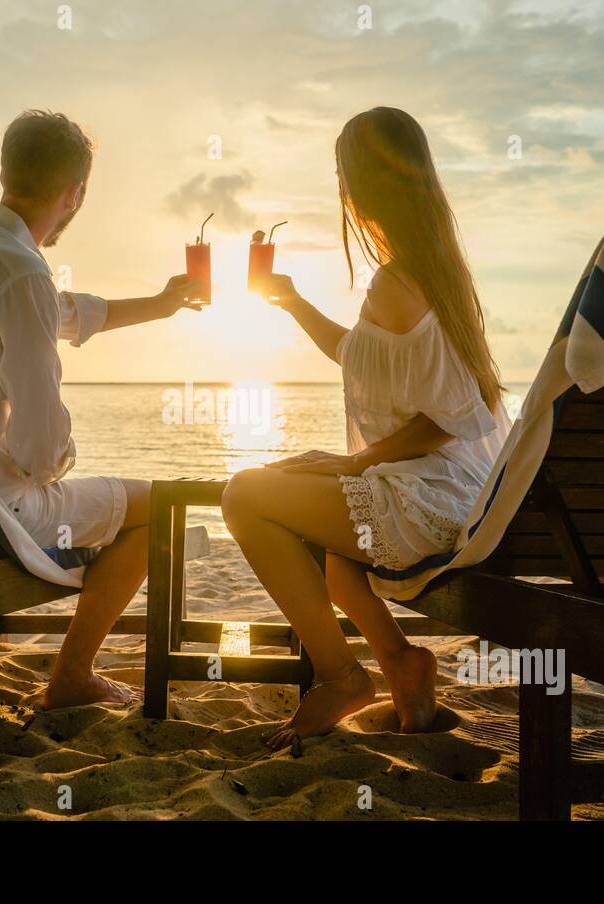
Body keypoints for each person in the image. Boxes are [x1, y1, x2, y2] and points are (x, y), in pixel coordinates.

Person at [221, 106, 511, 749]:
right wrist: (293, 302)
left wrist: (359, 462)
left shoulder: (398, 280)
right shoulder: (433, 272)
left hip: (439, 498)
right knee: (335, 552)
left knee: (244, 496)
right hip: (463, 487)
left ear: (356, 186)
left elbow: (450, 418)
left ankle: (341, 677)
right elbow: (361, 354)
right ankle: (401, 664)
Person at [0, 109, 203, 709]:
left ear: (6, 171)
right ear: (76, 193)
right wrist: (62, 458)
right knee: (165, 510)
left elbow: (64, 312)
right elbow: (39, 454)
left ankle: (75, 672)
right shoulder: (19, 272)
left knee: (140, 503)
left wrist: (162, 304)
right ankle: (73, 675)